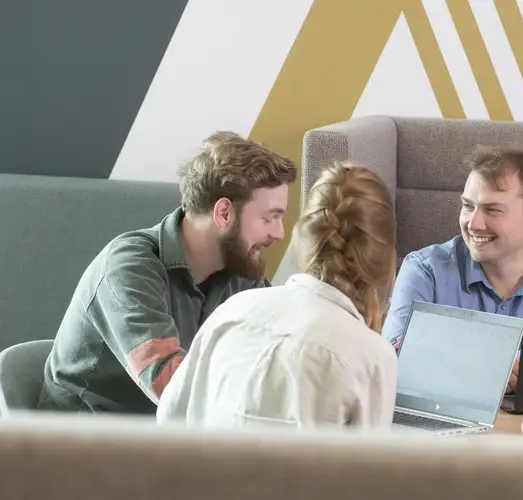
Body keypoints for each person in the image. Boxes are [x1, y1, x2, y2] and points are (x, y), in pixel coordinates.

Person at [37, 131, 298, 413]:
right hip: (79, 443)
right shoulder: (130, 268)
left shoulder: (241, 269)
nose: (279, 233)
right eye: (269, 218)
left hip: (161, 439)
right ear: (223, 213)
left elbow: (279, 352)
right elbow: (174, 391)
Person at [157, 163, 398, 429]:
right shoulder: (373, 356)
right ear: (383, 256)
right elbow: (370, 468)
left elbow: (170, 417)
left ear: (305, 238)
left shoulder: (232, 310)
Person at [382, 145, 523, 393]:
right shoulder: (425, 271)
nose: (474, 223)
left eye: (492, 210)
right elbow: (392, 359)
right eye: (468, 206)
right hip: (446, 424)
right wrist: (494, 363)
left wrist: (447, 357)